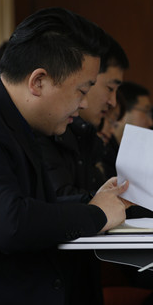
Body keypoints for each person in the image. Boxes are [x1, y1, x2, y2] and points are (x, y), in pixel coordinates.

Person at [0, 7, 131, 305]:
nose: (83, 103)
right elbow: (8, 224)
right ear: (38, 82)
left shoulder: (12, 120)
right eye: (81, 90)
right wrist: (96, 214)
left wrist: (96, 202)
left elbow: (32, 206)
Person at [38, 36, 129, 201]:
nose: (113, 102)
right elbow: (59, 200)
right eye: (110, 88)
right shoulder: (47, 127)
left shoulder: (85, 133)